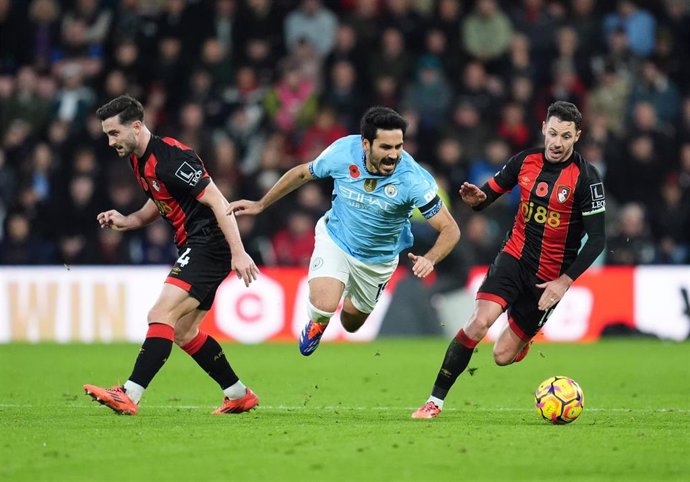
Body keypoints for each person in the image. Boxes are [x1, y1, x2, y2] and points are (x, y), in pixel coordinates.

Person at [412, 101, 606, 419]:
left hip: (549, 279)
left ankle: (522, 340)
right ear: (544, 128)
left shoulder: (586, 178)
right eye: (553, 133)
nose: (558, 142)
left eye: (566, 136)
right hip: (513, 259)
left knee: (502, 356)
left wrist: (564, 282)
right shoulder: (525, 161)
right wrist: (477, 199)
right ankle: (434, 402)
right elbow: (488, 193)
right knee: (478, 323)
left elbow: (597, 239)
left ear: (577, 136)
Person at [227, 106, 460, 356]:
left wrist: (431, 258)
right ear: (365, 144)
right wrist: (261, 203)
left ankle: (343, 301)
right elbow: (303, 173)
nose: (394, 155)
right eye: (385, 147)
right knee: (324, 306)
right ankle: (318, 322)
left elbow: (450, 228)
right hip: (336, 239)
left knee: (351, 324)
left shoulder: (413, 179)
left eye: (398, 146)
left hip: (377, 260)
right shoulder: (342, 153)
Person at [83, 95, 261, 415]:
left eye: (114, 133)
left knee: (160, 315)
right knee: (183, 331)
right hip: (197, 244)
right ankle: (238, 394)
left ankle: (129, 394)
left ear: (136, 127)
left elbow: (219, 202)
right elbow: (161, 198)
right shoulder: (138, 157)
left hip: (209, 243)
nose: (110, 142)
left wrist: (239, 252)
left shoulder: (172, 158)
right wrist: (130, 220)